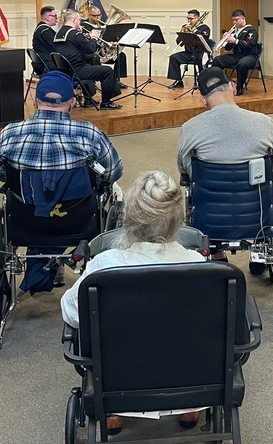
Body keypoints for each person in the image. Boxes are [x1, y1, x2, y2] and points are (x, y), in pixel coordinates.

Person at [60, 169, 206, 435]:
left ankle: (115, 412)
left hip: (118, 380)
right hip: (189, 377)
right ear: (179, 218)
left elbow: (71, 314)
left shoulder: (104, 268)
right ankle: (189, 405)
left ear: (129, 217)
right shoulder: (202, 268)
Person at [0, 70, 122, 210]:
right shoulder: (90, 134)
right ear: (72, 103)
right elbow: (113, 172)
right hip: (80, 220)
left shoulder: (8, 133)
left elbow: (3, 175)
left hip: (24, 219)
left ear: (35, 101)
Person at [176, 67, 273, 178]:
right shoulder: (265, 123)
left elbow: (183, 170)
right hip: (258, 194)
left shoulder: (189, 128)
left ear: (203, 101)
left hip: (206, 194)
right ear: (233, 87)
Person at [54, 9, 122, 109]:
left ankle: (89, 98)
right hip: (76, 71)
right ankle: (106, 102)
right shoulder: (75, 34)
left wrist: (87, 38)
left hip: (65, 70)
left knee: (93, 64)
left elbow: (74, 47)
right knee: (108, 71)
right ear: (74, 20)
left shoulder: (59, 33)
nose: (80, 22)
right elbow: (90, 49)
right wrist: (94, 38)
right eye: (79, 20)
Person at [211, 9, 259, 96]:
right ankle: (219, 84)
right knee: (217, 60)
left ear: (243, 18)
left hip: (250, 56)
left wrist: (235, 40)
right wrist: (227, 40)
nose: (234, 22)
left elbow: (250, 44)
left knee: (242, 64)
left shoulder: (251, 31)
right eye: (233, 20)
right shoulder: (234, 31)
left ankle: (240, 87)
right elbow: (228, 48)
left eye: (236, 20)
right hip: (237, 55)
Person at [83, 6, 128, 87]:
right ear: (89, 15)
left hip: (103, 52)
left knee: (121, 55)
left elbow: (107, 38)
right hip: (92, 51)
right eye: (95, 16)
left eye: (99, 15)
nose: (98, 17)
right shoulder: (84, 26)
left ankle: (116, 80)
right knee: (94, 57)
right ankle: (93, 82)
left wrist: (111, 44)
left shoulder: (102, 25)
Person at [167, 9, 212, 89]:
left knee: (202, 60)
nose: (189, 20)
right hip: (189, 53)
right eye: (188, 18)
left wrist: (194, 31)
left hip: (200, 52)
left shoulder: (205, 28)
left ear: (197, 18)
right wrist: (182, 35)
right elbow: (179, 42)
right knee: (174, 57)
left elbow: (204, 39)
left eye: (191, 18)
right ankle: (178, 81)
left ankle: (202, 82)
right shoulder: (185, 27)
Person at [31, 5, 58, 75]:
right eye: (55, 16)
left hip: (42, 63)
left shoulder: (41, 28)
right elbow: (56, 47)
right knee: (73, 66)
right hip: (45, 64)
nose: (56, 18)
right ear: (48, 17)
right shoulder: (45, 31)